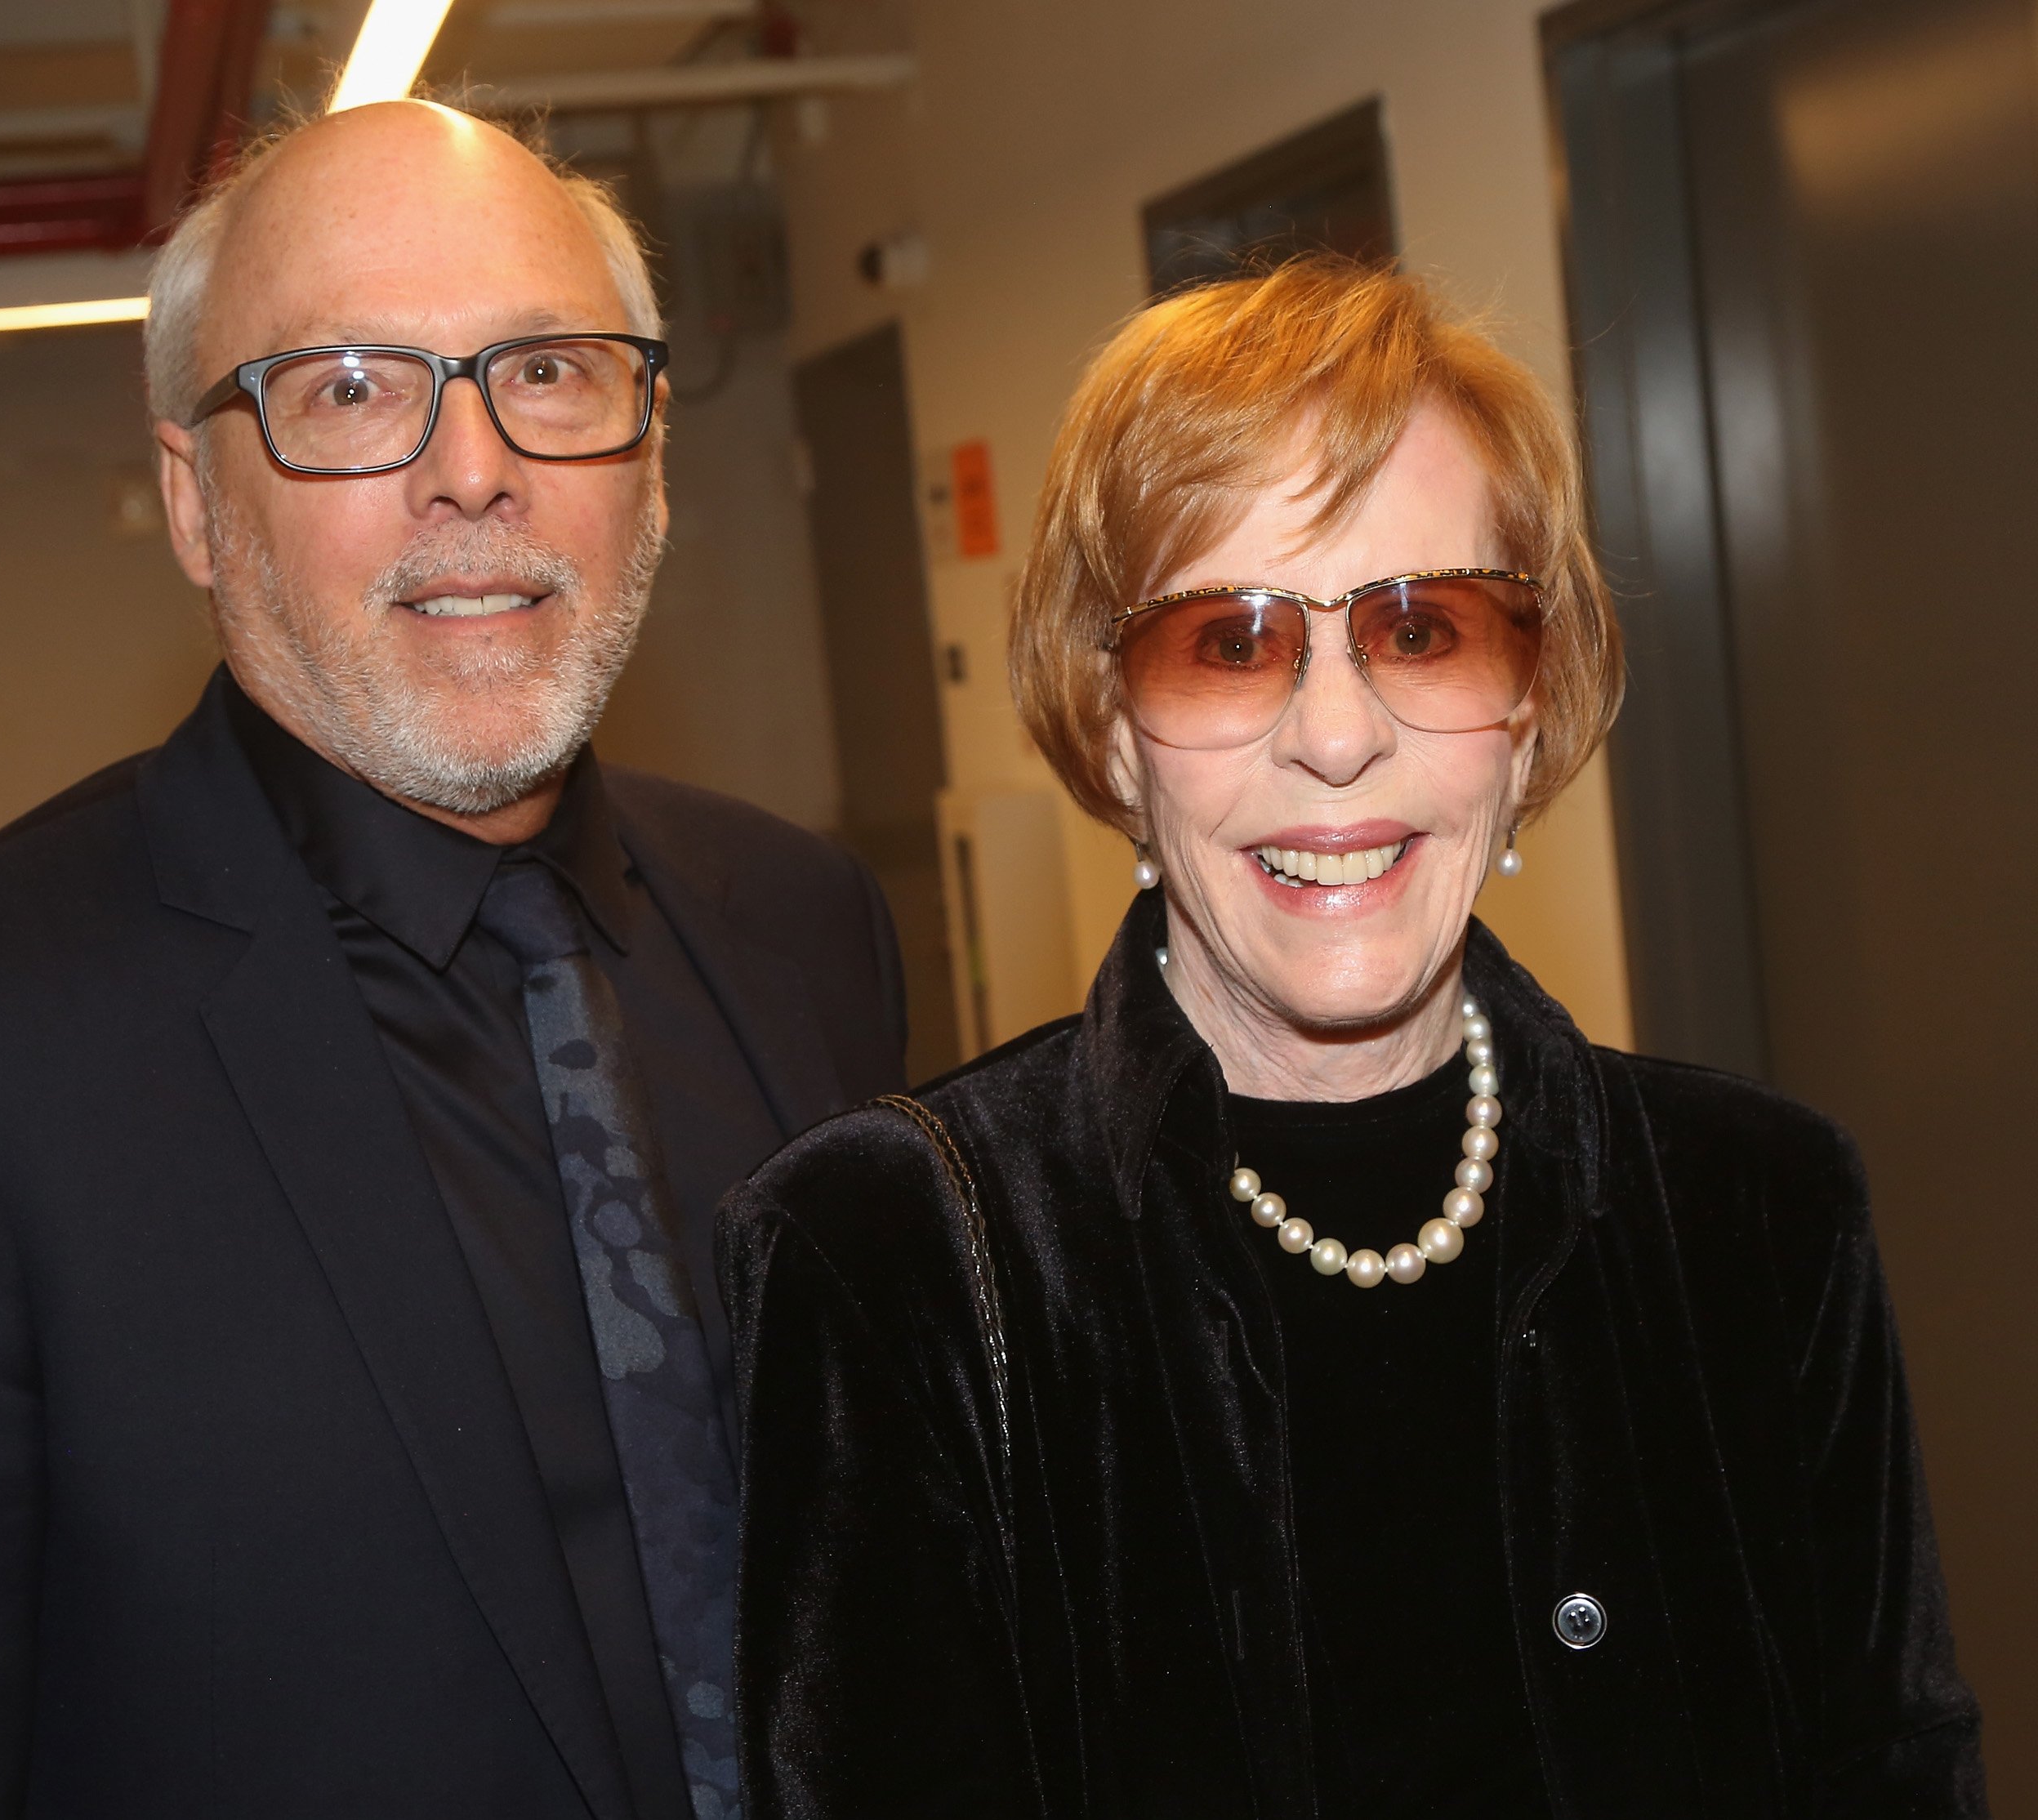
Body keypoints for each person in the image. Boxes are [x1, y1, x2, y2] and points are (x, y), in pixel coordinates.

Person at [0, 101, 905, 1820]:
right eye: (350, 388)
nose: (476, 467)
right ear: (194, 500)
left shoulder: (804, 931)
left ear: (653, 448)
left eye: (546, 370)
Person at [717, 260, 1985, 1818]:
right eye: (1230, 641)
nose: (1335, 735)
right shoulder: (884, 1256)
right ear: (1114, 728)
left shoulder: (1762, 1210)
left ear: (1527, 714)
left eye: (1426, 628)